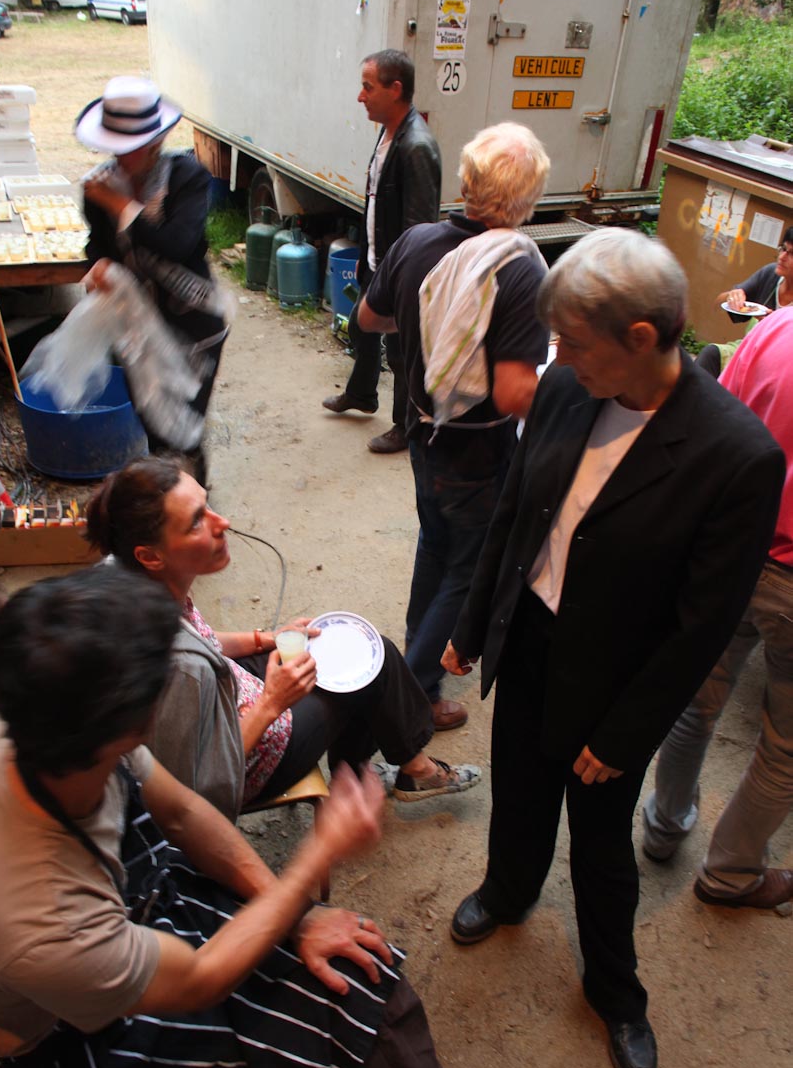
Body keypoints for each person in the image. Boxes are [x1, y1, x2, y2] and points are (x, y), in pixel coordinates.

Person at [0, 568, 575, 1068]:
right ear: (130, 723)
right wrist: (314, 859)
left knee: (347, 960)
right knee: (346, 997)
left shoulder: (55, 724)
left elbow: (183, 813)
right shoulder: (38, 918)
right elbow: (200, 979)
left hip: (133, 897)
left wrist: (297, 914)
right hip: (76, 1042)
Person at [441, 228, 784, 1068]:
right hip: (531, 637)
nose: (557, 359)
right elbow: (518, 513)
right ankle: (507, 891)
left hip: (614, 681)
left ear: (639, 337)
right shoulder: (568, 387)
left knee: (599, 844)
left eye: (572, 342)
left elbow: (702, 625)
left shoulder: (735, 455)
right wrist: (475, 624)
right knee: (518, 790)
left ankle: (613, 991)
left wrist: (627, 732)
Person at [85, 455, 481, 814]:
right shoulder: (176, 666)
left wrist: (268, 638)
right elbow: (194, 784)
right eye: (196, 521)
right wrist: (271, 704)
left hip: (229, 692)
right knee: (372, 667)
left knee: (348, 646)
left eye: (207, 505)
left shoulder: (129, 577)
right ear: (150, 555)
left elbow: (202, 639)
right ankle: (408, 772)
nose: (222, 523)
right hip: (253, 760)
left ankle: (368, 773)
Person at [358, 122, 550, 731]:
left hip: (423, 432)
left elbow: (368, 318)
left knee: (436, 545)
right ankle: (410, 698)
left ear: (466, 181)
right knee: (468, 571)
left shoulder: (417, 241)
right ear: (528, 198)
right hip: (477, 450)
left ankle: (417, 670)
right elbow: (514, 392)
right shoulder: (518, 270)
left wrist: (425, 328)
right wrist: (572, 407)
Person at [642, 306, 793, 909]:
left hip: (735, 552)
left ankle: (664, 825)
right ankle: (731, 873)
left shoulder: (776, 327)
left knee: (697, 702)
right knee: (783, 747)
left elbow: (716, 425)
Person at [75, 76, 230, 486]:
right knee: (153, 422)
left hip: (193, 324)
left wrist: (123, 206)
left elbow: (178, 245)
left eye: (133, 147)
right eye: (117, 147)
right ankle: (169, 502)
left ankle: (194, 501)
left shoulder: (186, 178)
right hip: (136, 324)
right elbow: (98, 244)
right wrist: (96, 266)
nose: (123, 157)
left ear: (156, 141)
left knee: (185, 428)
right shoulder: (99, 186)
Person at [323, 49, 441, 455]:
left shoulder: (417, 146)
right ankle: (362, 394)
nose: (361, 96)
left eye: (368, 87)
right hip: (377, 260)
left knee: (402, 351)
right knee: (360, 327)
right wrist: (366, 252)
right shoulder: (389, 132)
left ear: (395, 90)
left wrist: (402, 284)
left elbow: (419, 229)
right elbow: (377, 200)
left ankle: (405, 427)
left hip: (399, 271)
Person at [699, 225, 793, 376]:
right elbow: (717, 303)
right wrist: (731, 297)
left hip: (781, 370)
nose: (782, 257)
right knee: (711, 354)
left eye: (792, 254)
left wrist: (773, 324)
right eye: (783, 249)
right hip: (748, 352)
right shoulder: (770, 275)